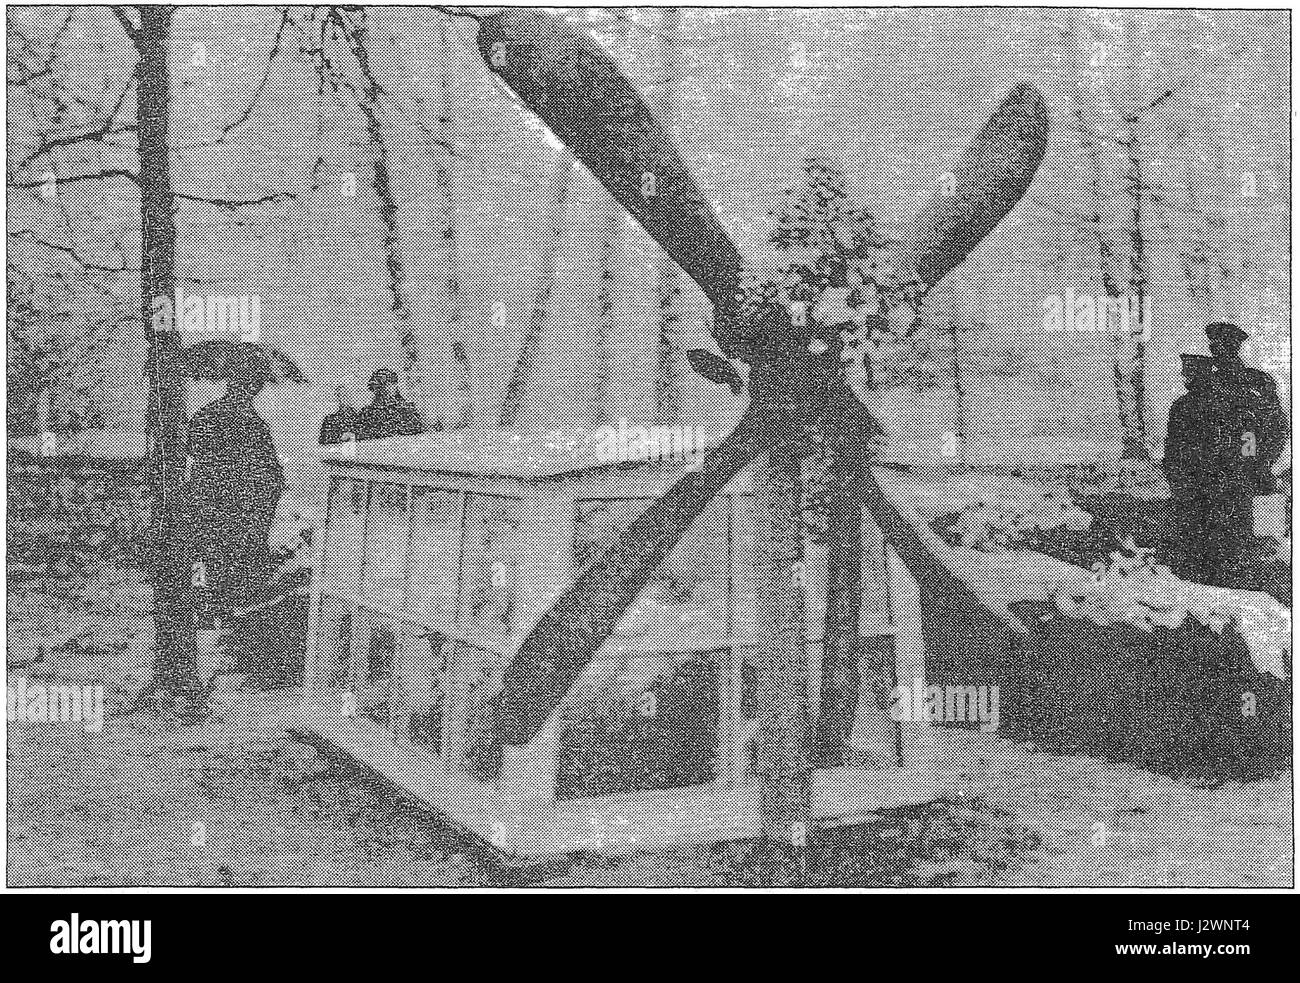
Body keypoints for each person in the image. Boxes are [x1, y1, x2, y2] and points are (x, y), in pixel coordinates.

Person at [187, 345, 285, 614]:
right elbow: (270, 474)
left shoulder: (203, 415)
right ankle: (227, 608)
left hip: (207, 501)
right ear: (255, 386)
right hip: (239, 507)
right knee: (235, 562)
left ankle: (204, 603)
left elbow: (192, 453)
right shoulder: (254, 424)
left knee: (205, 556)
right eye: (256, 384)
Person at [355, 368, 424, 440]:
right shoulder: (367, 413)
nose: (382, 390)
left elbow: (416, 431)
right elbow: (360, 434)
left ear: (394, 385)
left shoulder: (406, 409)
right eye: (377, 387)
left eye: (387, 384)